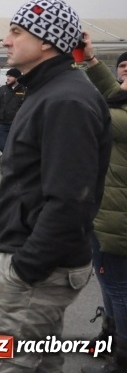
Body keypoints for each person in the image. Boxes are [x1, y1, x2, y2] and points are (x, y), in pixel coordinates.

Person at [0, 0, 110, 373]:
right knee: (42, 363)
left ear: (47, 41)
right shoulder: (47, 90)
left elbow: (70, 201)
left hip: (39, 267)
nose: (5, 41)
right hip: (39, 261)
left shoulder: (66, 99)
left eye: (16, 33)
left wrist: (25, 269)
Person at [81, 42, 127, 373]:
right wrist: (87, 57)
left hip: (118, 222)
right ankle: (111, 338)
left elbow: (92, 113)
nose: (123, 74)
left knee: (119, 289)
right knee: (108, 283)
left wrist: (54, 72)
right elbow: (112, 89)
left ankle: (122, 359)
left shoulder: (120, 119)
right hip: (107, 216)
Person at [0, 68, 25, 152]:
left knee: (17, 148)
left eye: (10, 76)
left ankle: (12, 163)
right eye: (7, 76)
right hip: (4, 125)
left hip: (18, 125)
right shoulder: (2, 89)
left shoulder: (24, 90)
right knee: (3, 146)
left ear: (17, 78)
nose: (7, 78)